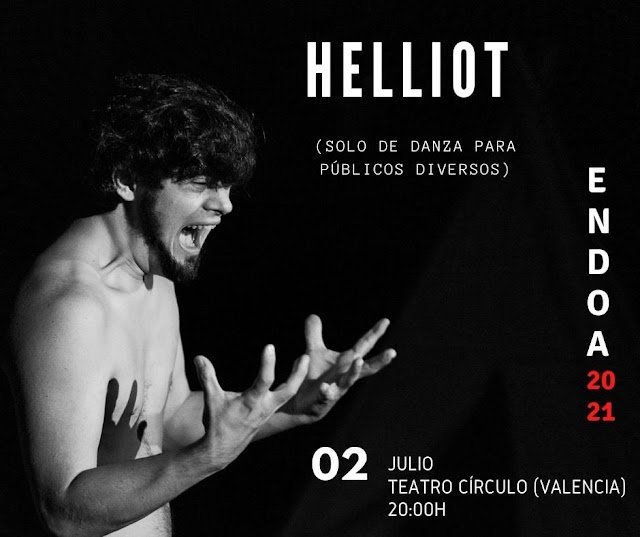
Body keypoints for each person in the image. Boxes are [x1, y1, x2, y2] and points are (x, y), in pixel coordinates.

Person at [5, 74, 396, 537]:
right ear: (127, 179)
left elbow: (167, 421)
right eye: (200, 183)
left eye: (226, 186)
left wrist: (290, 405)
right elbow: (64, 511)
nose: (225, 205)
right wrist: (207, 459)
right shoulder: (71, 308)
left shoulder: (154, 278)